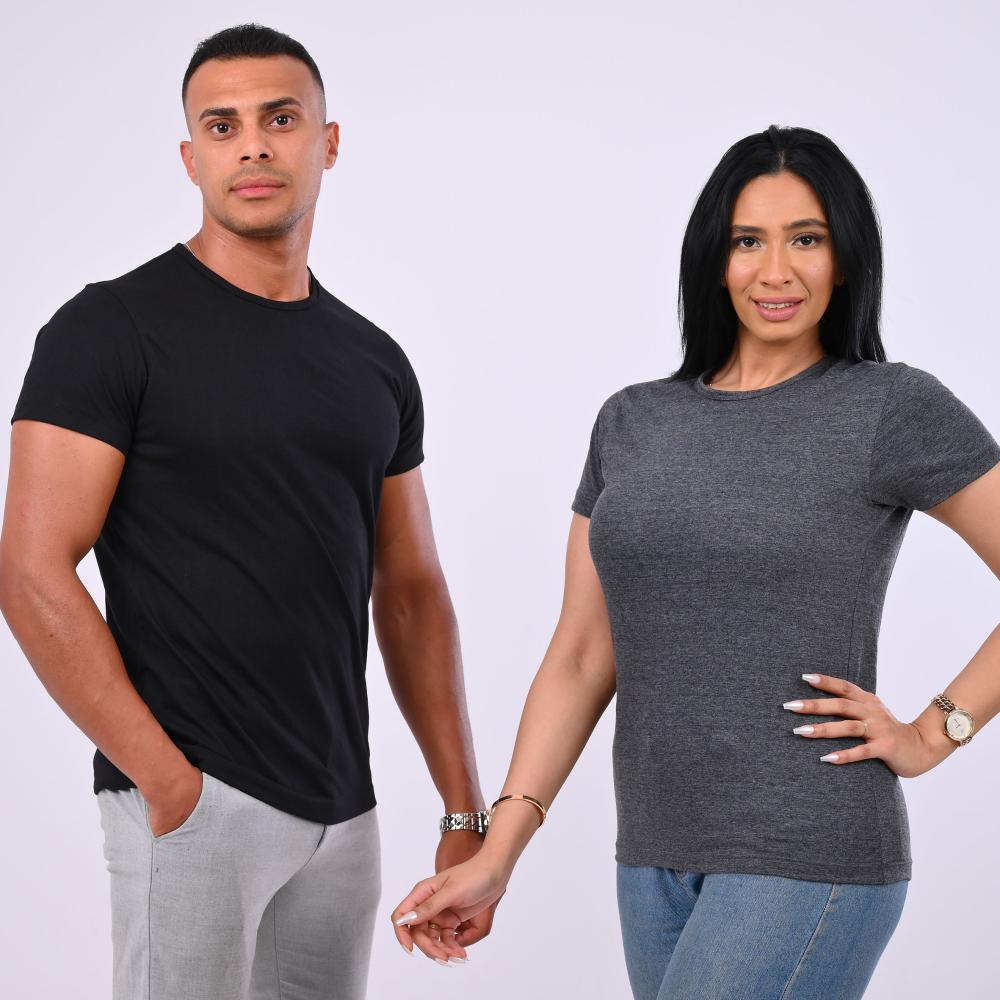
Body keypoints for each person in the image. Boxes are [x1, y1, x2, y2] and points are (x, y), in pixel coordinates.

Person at [390, 125, 1000, 998]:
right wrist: (500, 854)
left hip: (807, 851)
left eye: (807, 239)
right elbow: (582, 654)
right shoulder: (633, 420)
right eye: (749, 241)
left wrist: (934, 733)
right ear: (714, 258)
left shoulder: (889, 408)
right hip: (652, 862)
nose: (776, 271)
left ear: (846, 259)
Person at [0, 22, 494, 1000]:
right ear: (192, 157)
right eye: (222, 126)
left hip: (343, 815)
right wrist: (165, 781)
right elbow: (30, 569)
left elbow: (409, 589)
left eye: (280, 119)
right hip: (196, 800)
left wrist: (462, 808)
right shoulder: (109, 330)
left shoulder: (373, 361)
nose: (254, 146)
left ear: (328, 141)